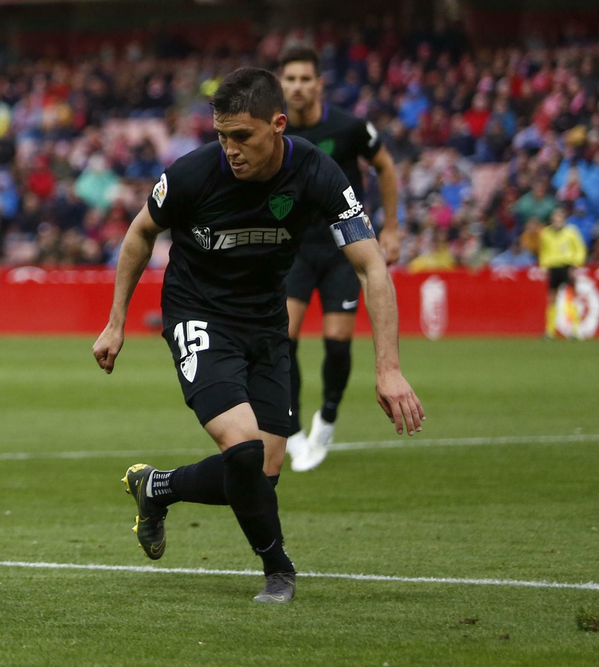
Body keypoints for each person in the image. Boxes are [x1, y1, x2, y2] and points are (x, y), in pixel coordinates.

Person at [93, 67, 424, 604]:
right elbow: (139, 235)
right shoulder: (193, 174)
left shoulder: (318, 172)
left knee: (261, 475)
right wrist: (116, 323)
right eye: (222, 135)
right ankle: (279, 571)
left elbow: (372, 267)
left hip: (265, 321)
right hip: (197, 314)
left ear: (277, 124)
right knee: (243, 449)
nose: (230, 149)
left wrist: (388, 368)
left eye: (242, 136)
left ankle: (157, 487)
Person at [278, 46, 401, 471]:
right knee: (283, 338)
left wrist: (391, 227)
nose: (296, 86)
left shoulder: (348, 127)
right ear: (281, 83)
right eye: (289, 79)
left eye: (304, 79)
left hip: (342, 248)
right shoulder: (272, 130)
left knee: (337, 340)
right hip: (293, 249)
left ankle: (326, 418)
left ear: (318, 84)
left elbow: (385, 166)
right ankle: (290, 425)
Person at [539, 204, 588, 338]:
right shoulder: (546, 233)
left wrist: (576, 264)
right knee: (552, 298)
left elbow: (580, 248)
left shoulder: (571, 232)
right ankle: (550, 331)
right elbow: (544, 251)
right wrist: (545, 265)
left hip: (567, 266)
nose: (557, 220)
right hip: (553, 267)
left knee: (570, 297)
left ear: (564, 219)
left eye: (560, 217)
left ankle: (575, 330)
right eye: (555, 218)